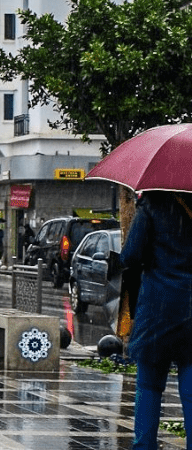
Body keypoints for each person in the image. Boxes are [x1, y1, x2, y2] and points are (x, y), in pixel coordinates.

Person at [122, 190, 192, 450]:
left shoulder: (153, 202)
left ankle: (144, 446)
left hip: (157, 310)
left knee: (149, 388)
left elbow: (130, 256)